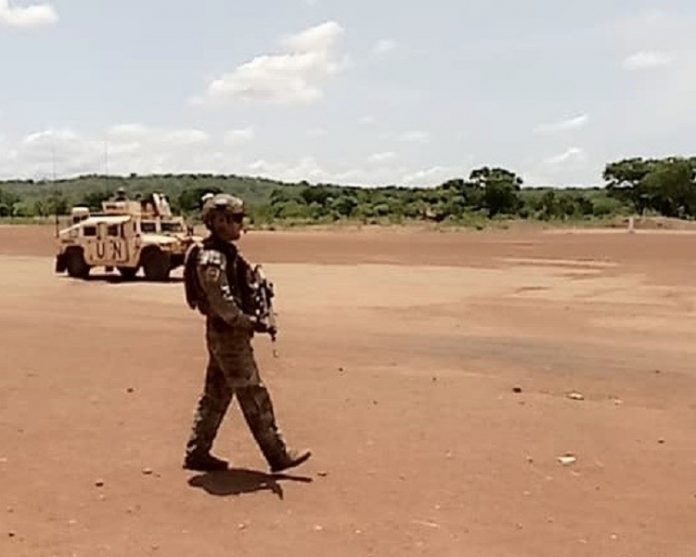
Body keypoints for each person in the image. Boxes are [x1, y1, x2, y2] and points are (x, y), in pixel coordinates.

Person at [182, 193, 311, 473]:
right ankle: (277, 455)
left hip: (225, 334)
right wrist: (252, 322)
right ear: (218, 221)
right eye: (236, 219)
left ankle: (197, 452)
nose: (241, 224)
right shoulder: (213, 258)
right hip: (228, 335)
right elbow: (224, 305)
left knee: (216, 393)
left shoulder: (226, 253)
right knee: (253, 393)